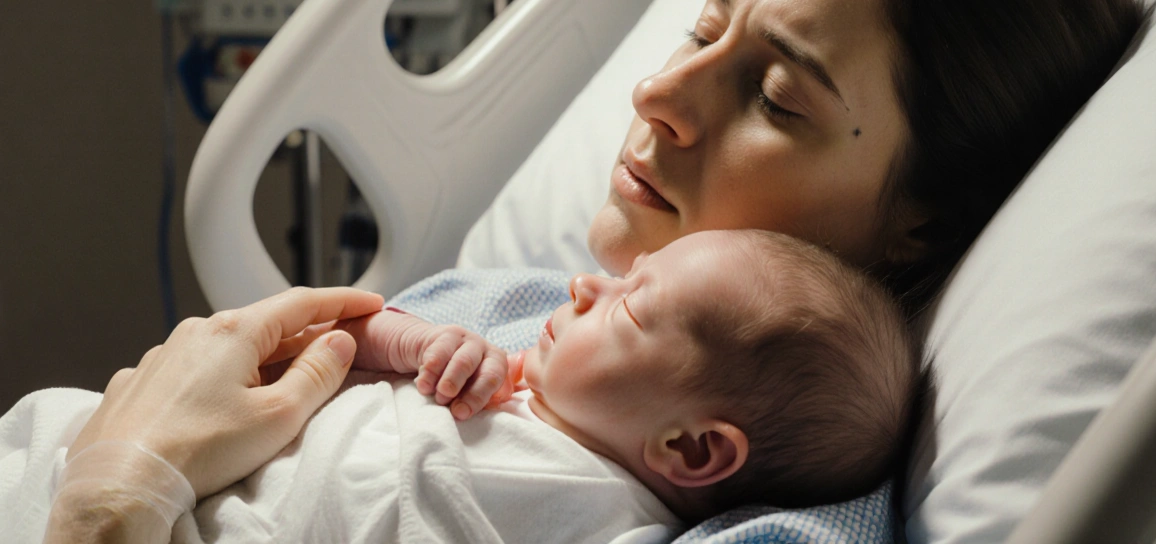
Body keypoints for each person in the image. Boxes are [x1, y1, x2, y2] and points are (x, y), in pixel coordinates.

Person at [34, 0, 1144, 540]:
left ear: (923, 221)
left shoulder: (787, 507)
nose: (657, 92)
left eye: (775, 96)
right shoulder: (503, 299)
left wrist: (112, 497)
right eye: (701, 30)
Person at [11, 230, 912, 542]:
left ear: (692, 447)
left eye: (632, 309)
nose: (585, 285)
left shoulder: (615, 525)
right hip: (118, 474)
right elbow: (332, 344)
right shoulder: (493, 370)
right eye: (621, 275)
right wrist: (407, 343)